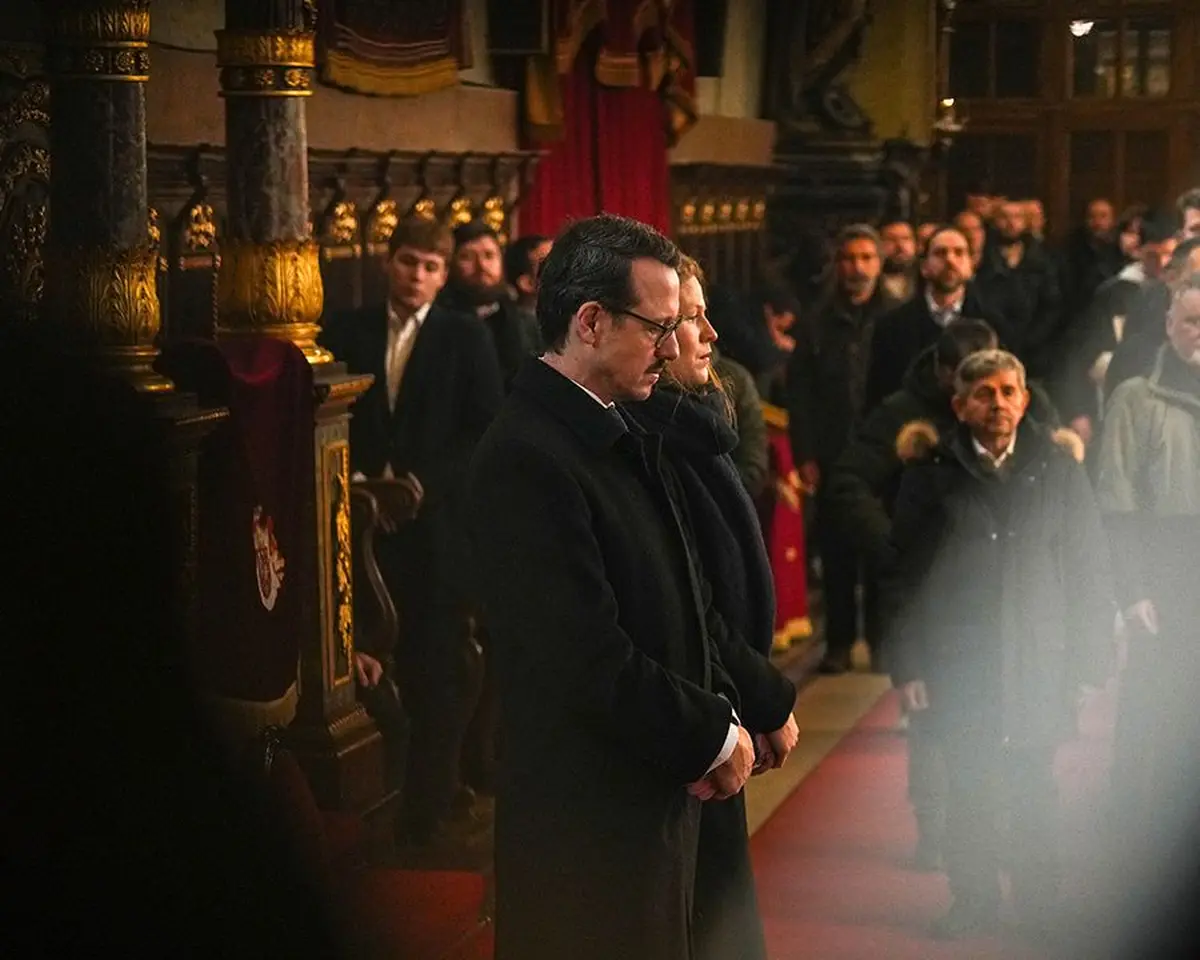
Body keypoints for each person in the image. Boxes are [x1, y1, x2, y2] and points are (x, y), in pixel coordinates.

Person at [466, 214, 796, 960]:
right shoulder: (526, 457)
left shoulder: (618, 424)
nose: (673, 347)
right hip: (588, 816)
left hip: (650, 790)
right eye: (659, 328)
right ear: (590, 322)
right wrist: (711, 733)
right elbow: (582, 655)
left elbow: (687, 595)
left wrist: (746, 701)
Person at [886, 349, 1115, 941]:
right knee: (969, 785)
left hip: (1040, 654)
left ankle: (1040, 903)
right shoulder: (930, 475)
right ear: (960, 405)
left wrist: (1090, 660)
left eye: (1008, 392)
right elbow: (902, 577)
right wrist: (908, 665)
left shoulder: (1058, 470)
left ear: (1025, 399)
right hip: (960, 660)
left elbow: (1089, 567)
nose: (998, 404)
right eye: (984, 394)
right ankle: (974, 901)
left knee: (1035, 785)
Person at [622, 254, 799, 958]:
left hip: (722, 703)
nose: (711, 334)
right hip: (694, 715)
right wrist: (766, 695)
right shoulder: (651, 440)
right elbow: (692, 601)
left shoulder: (695, 421)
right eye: (691, 318)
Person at [320, 217, 504, 846]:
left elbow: (483, 430)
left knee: (437, 667)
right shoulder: (347, 328)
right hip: (358, 522)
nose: (416, 276)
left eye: (430, 267)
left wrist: (422, 484)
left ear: (443, 275)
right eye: (407, 262)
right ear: (387, 262)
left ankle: (428, 806)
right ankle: (375, 798)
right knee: (360, 662)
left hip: (437, 530)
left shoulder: (464, 336)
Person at [1094, 277, 1200, 933]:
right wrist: (1131, 591)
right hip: (1163, 579)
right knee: (1152, 725)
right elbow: (1116, 504)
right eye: (1192, 322)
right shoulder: (1135, 397)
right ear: (1169, 326)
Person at [787, 224, 898, 673]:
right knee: (836, 555)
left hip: (884, 451)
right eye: (850, 258)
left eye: (867, 258)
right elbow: (799, 393)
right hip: (833, 449)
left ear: (880, 263)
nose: (858, 267)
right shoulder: (816, 320)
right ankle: (838, 643)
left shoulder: (896, 316)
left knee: (880, 549)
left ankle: (881, 642)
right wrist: (805, 454)